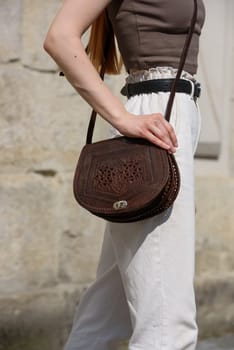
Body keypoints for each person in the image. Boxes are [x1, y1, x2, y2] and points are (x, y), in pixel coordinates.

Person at [44, 0, 206, 349]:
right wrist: (121, 118)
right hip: (156, 120)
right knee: (167, 325)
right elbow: (60, 36)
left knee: (105, 314)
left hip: (175, 118)